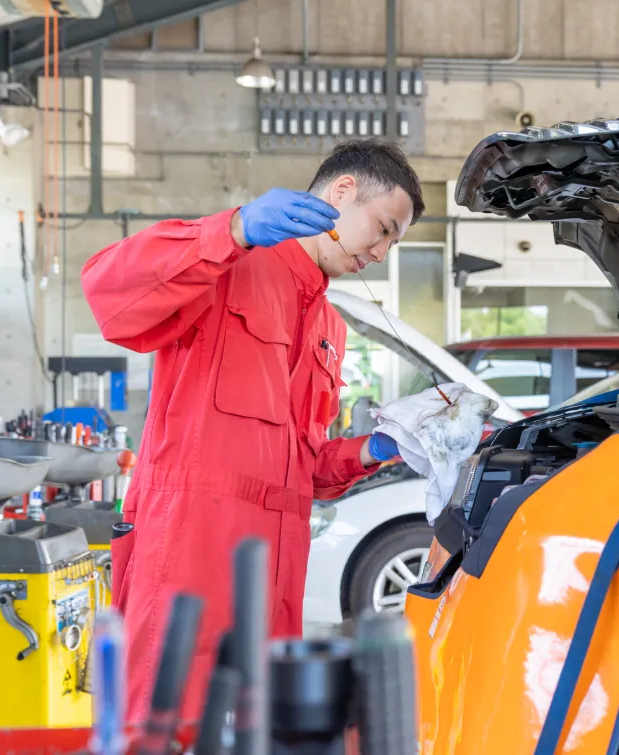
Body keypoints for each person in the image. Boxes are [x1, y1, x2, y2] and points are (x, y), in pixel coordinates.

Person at [81, 139, 424, 723]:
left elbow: (302, 466)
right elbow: (108, 294)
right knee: (167, 725)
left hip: (274, 575)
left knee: (259, 731)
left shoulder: (328, 328)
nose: (384, 252)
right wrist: (233, 230)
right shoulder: (224, 264)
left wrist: (376, 447)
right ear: (343, 192)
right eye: (384, 229)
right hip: (188, 559)